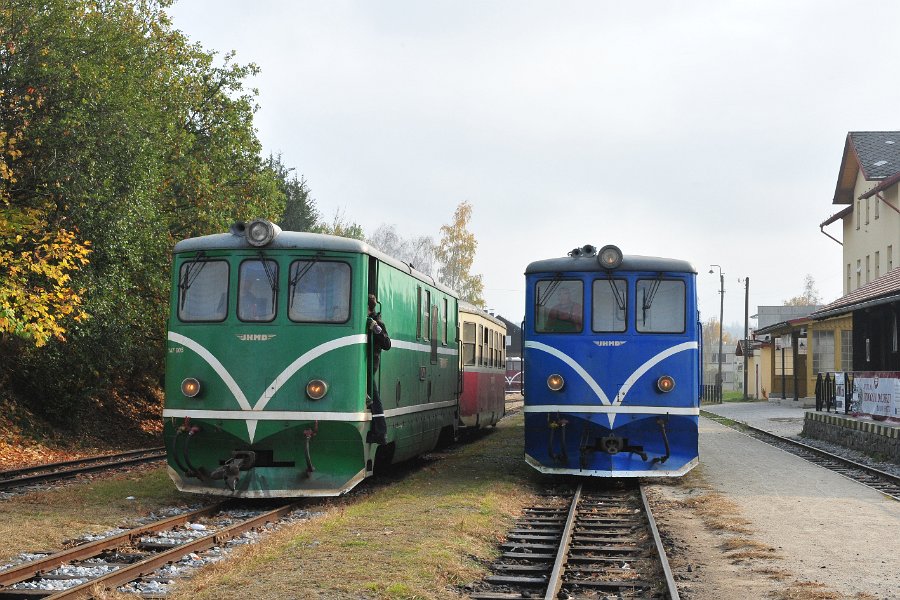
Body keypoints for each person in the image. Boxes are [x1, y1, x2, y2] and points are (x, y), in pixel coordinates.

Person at [366, 294, 391, 445]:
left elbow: (387, 344)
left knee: (374, 396)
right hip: (364, 362)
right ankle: (379, 431)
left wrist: (376, 329)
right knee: (371, 396)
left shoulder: (377, 322)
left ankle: (381, 432)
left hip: (369, 363)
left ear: (368, 307)